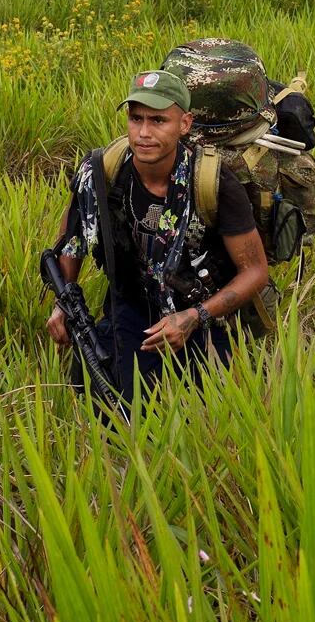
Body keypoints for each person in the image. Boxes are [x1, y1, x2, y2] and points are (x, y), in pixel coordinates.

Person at [47, 69, 270, 401]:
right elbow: (74, 239)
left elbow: (255, 271)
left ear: (184, 124)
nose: (144, 133)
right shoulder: (103, 170)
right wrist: (63, 303)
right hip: (133, 303)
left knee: (220, 407)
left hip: (202, 310)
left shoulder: (212, 182)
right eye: (136, 119)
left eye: (158, 121)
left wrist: (195, 317)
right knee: (107, 403)